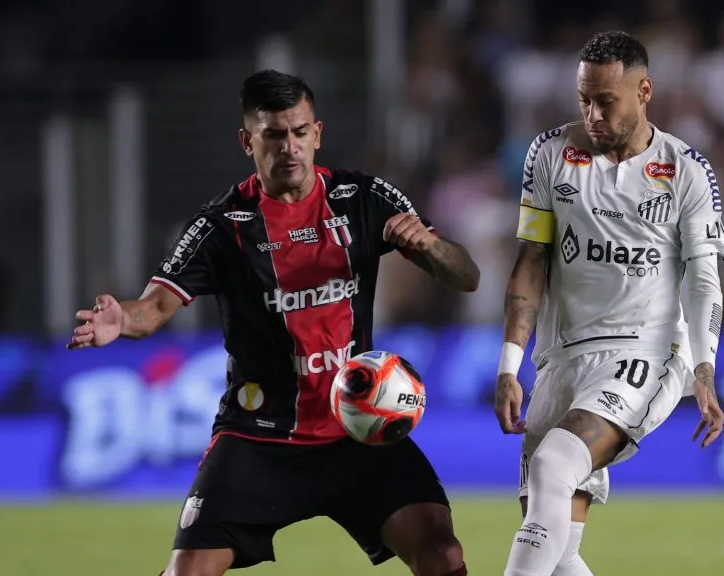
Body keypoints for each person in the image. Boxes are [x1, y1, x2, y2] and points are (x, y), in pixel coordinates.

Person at [67, 70, 479, 576]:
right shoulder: (221, 226)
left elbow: (467, 277)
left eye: (300, 132)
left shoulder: (364, 198)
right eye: (274, 135)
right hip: (258, 437)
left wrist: (431, 245)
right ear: (248, 141)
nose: (290, 147)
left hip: (356, 429)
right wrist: (120, 320)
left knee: (442, 552)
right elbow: (153, 309)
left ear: (317, 133)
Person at [493, 31, 724, 576]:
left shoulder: (685, 169)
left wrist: (704, 367)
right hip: (562, 356)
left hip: (646, 352)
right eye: (584, 100)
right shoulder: (551, 153)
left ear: (644, 91)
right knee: (558, 546)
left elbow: (703, 280)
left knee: (554, 464)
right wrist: (509, 364)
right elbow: (531, 259)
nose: (593, 114)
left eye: (606, 101)